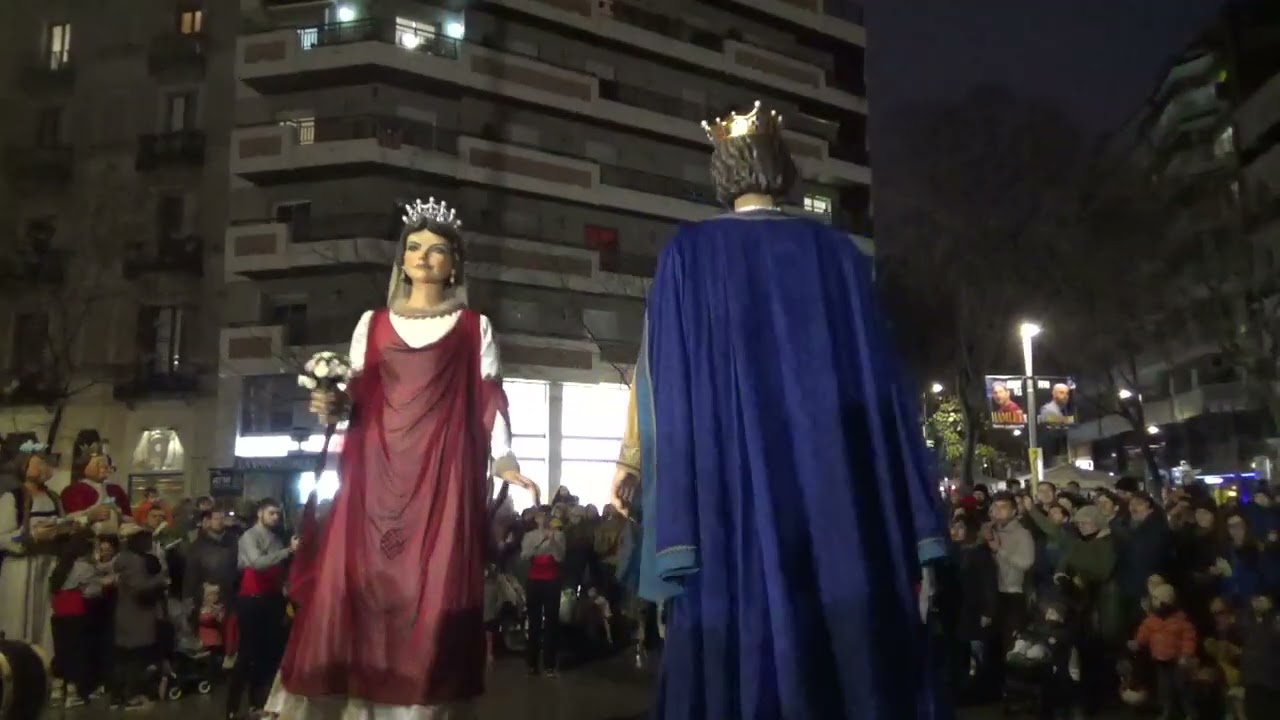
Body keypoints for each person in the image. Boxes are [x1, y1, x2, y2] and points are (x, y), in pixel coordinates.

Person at [609, 101, 948, 719]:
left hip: (728, 482)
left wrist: (635, 458)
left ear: (724, 172)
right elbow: (880, 383)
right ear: (783, 168)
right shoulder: (839, 254)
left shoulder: (689, 254)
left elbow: (662, 373)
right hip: (830, 480)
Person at [267, 197, 540, 719]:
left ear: (454, 263)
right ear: (402, 258)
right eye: (414, 247)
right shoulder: (372, 323)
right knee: (362, 589)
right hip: (374, 473)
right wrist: (330, 403)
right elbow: (356, 397)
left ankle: (418, 704)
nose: (423, 257)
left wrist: (504, 459)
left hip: (443, 474)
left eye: (437, 250)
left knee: (430, 592)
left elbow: (489, 397)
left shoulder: (472, 327)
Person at [229, 498, 295, 719]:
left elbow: (276, 569)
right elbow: (257, 563)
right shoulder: (249, 536)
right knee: (247, 653)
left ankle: (257, 704)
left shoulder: (275, 538)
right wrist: (287, 551)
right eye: (271, 513)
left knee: (267, 654)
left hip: (271, 599)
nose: (275, 517)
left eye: (278, 514)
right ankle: (232, 706)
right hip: (252, 599)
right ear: (260, 514)